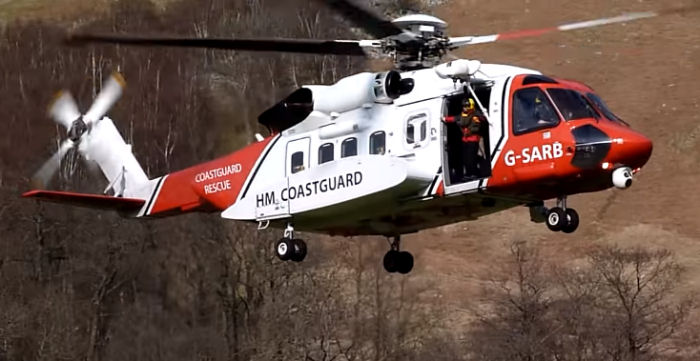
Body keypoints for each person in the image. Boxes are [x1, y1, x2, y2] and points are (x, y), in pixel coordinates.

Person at [444, 98, 485, 181]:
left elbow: (480, 122)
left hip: (473, 140)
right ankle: (468, 174)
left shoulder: (475, 114)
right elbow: (454, 118)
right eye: (463, 106)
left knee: (471, 158)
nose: (464, 108)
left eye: (466, 106)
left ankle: (474, 174)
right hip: (465, 140)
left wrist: (483, 113)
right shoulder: (462, 115)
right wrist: (444, 119)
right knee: (465, 158)